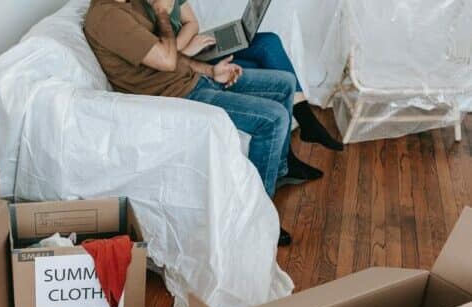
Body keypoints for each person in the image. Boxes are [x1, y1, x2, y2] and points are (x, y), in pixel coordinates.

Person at [84, 0, 319, 245]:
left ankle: (278, 172)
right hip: (176, 95)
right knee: (273, 118)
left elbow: (173, 55)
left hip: (192, 79)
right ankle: (256, 219)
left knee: (284, 84)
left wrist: (210, 71)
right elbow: (165, 59)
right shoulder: (107, 17)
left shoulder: (131, 5)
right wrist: (162, 13)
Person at [140, 0, 344, 151]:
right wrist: (184, 51)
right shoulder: (136, 9)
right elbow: (160, 58)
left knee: (269, 42)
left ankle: (305, 120)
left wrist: (186, 44)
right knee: (259, 64)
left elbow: (192, 22)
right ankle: (292, 148)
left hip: (193, 47)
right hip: (183, 61)